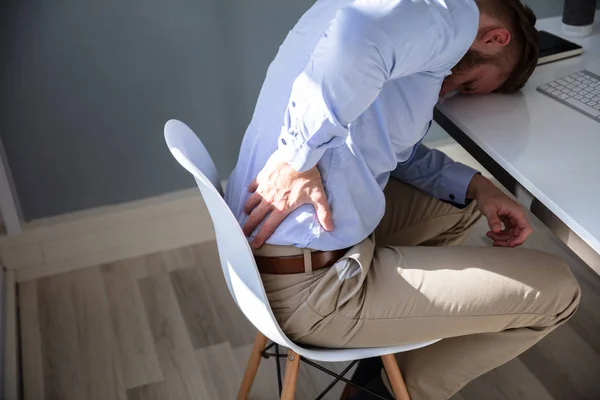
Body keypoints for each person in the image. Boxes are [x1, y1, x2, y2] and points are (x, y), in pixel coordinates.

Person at [224, 0, 581, 399]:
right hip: (313, 289)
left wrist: (478, 186)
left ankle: (385, 350)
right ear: (496, 38)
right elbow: (359, 38)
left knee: (456, 208)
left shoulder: (385, 16)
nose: (449, 91)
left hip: (265, 248)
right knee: (560, 292)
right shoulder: (450, 15)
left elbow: (388, 144)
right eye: (469, 83)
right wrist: (296, 156)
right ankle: (381, 393)